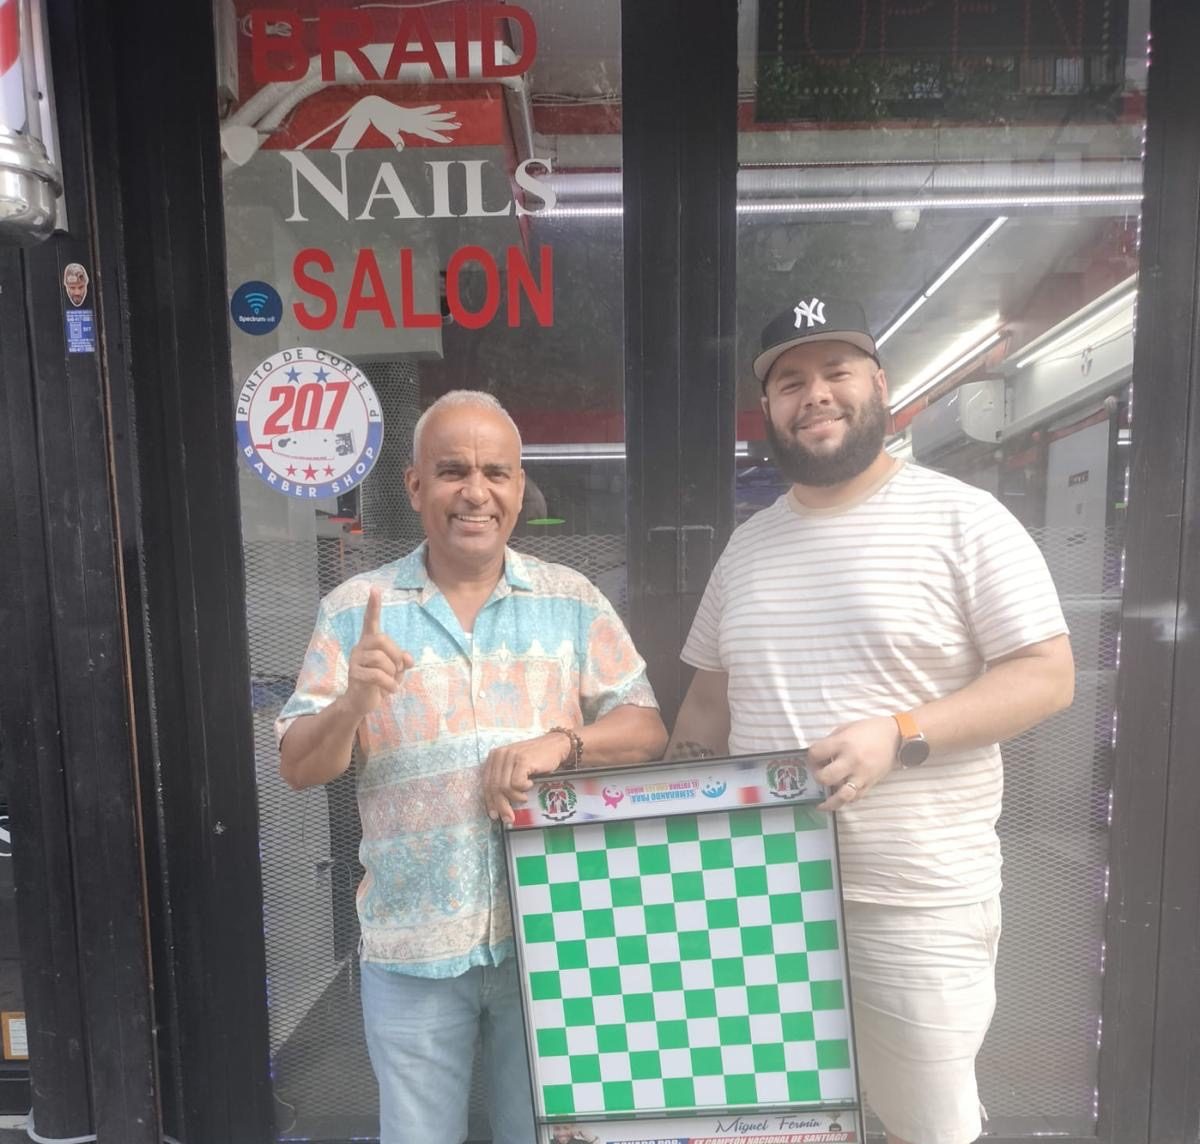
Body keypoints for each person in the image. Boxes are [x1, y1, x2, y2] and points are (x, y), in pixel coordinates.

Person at [666, 297, 1075, 1144]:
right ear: (768, 408)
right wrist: (664, 840)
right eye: (790, 382)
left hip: (914, 905)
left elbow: (1047, 675)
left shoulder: (964, 519)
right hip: (759, 900)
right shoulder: (747, 549)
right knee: (777, 1122)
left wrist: (900, 732)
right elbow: (707, 703)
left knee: (929, 1129)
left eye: (836, 372)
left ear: (880, 386)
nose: (814, 394)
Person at [277, 390, 667, 1144]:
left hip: (555, 940)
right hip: (413, 945)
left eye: (496, 473)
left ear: (520, 487)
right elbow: (299, 766)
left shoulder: (573, 602)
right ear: (415, 485)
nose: (476, 492)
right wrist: (352, 703)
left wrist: (561, 743)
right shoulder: (356, 608)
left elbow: (646, 728)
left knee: (545, 1134)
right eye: (453, 471)